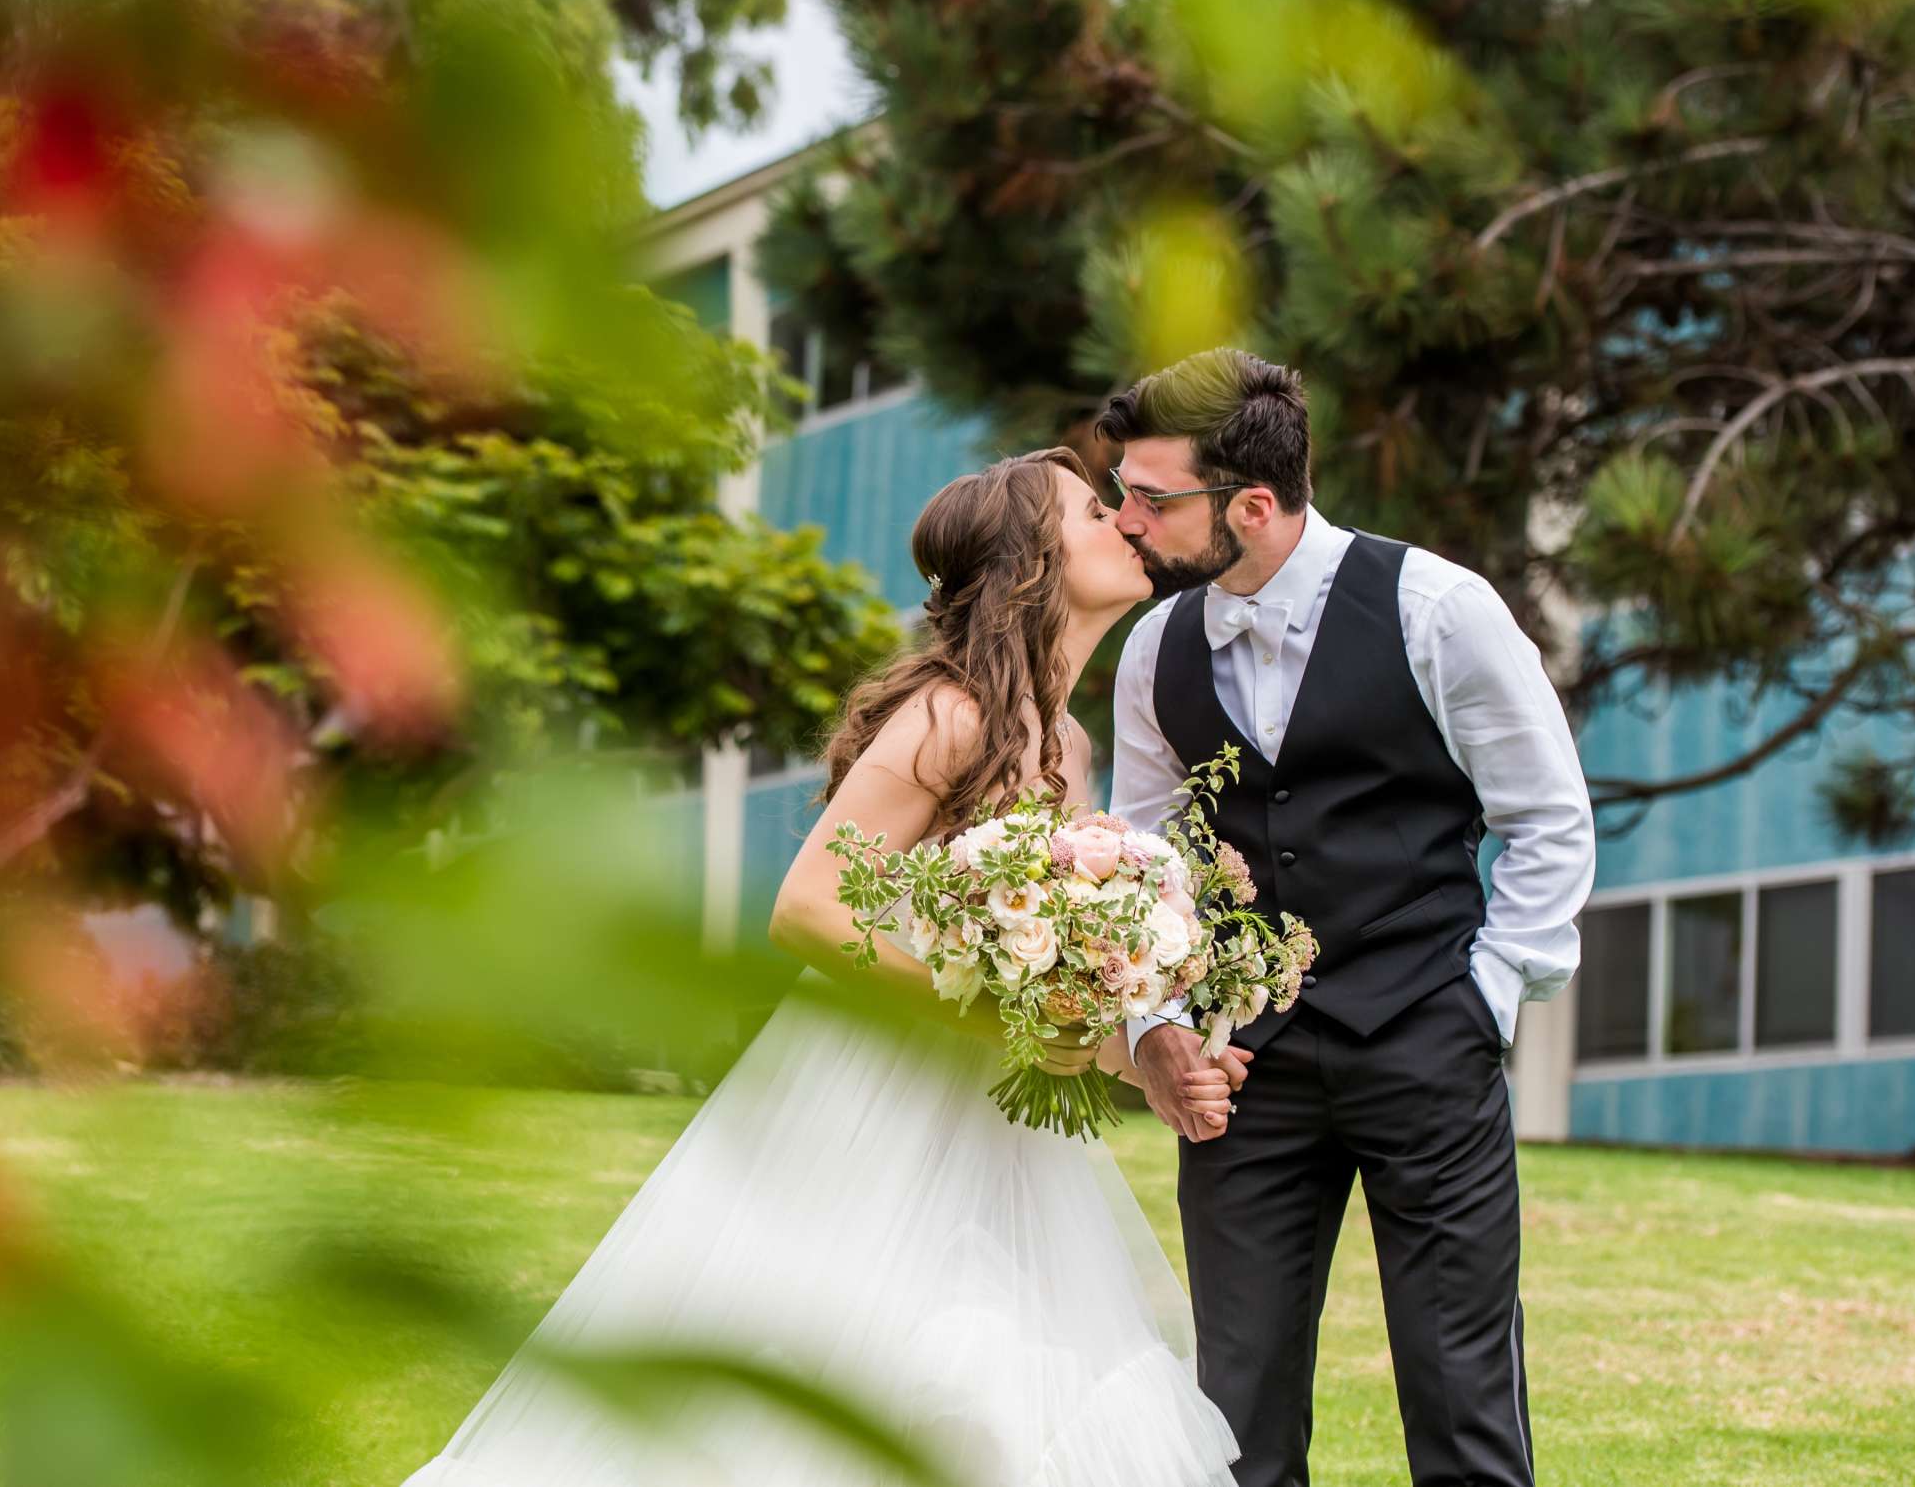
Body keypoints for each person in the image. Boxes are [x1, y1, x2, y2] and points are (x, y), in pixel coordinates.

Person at [402, 447, 1241, 1487]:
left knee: (999, 1383)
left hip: (998, 1133)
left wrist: (1138, 1056)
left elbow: (1042, 986)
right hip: (876, 1100)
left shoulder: (1064, 742)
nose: (1124, 520)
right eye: (1092, 509)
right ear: (1031, 559)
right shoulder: (951, 714)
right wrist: (988, 1020)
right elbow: (807, 909)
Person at [1102, 349, 1596, 1487]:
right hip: (1245, 1069)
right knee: (1235, 1410)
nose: (1127, 520)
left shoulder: (1439, 609)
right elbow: (1146, 870)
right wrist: (1160, 1029)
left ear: (1254, 506)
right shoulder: (1154, 652)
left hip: (1426, 1038)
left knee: (1462, 1391)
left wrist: (1490, 996)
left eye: (1153, 498)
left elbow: (1549, 817)